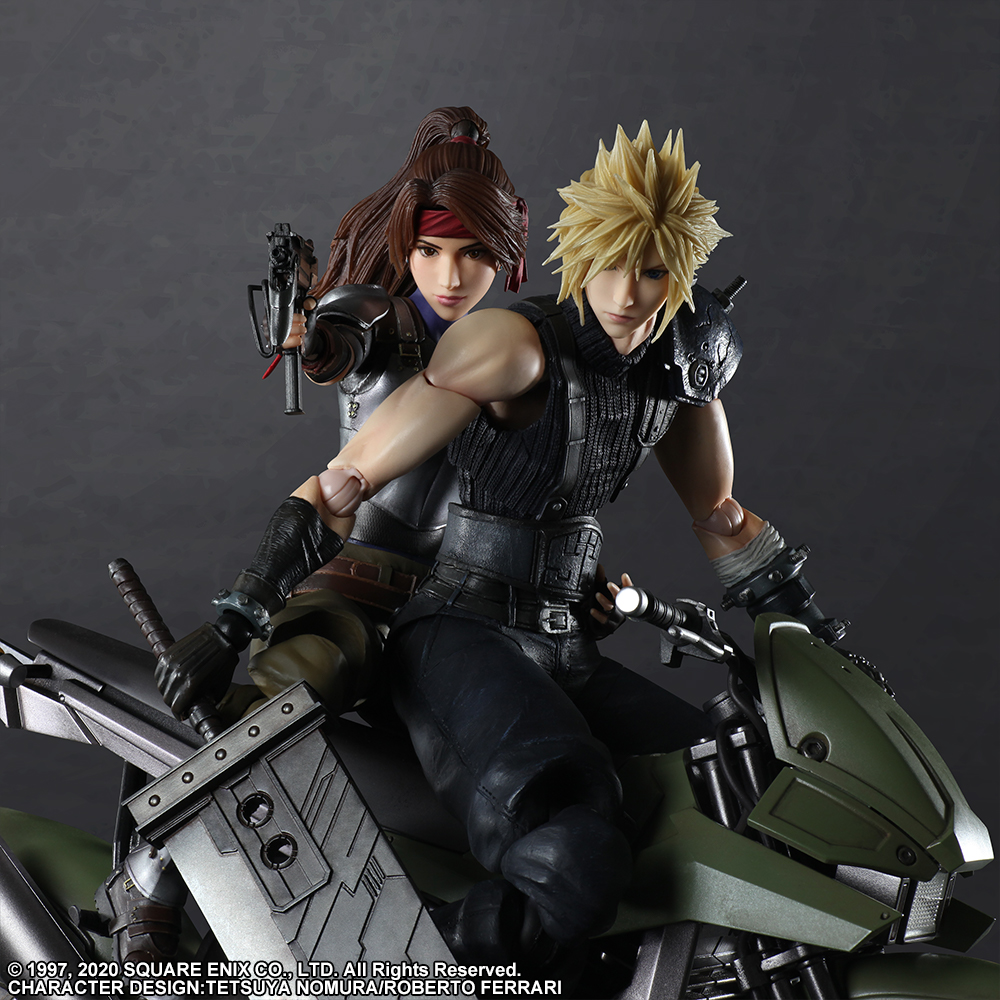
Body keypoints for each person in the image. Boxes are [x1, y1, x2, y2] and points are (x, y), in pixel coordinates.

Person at [158, 122, 843, 962]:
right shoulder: (513, 348)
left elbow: (724, 514)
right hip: (462, 629)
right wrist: (234, 621)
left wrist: (823, 649)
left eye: (653, 271)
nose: (627, 294)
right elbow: (345, 482)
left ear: (683, 275)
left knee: (735, 779)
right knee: (574, 843)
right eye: (610, 263)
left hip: (567, 641)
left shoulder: (679, 371)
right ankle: (410, 964)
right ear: (580, 255)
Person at [235, 106, 528, 721]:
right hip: (350, 578)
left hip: (450, 602)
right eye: (429, 249)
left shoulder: (509, 349)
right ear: (406, 244)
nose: (450, 277)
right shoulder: (381, 316)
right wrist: (310, 337)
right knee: (301, 687)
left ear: (506, 252)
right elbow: (340, 341)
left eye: (474, 253)